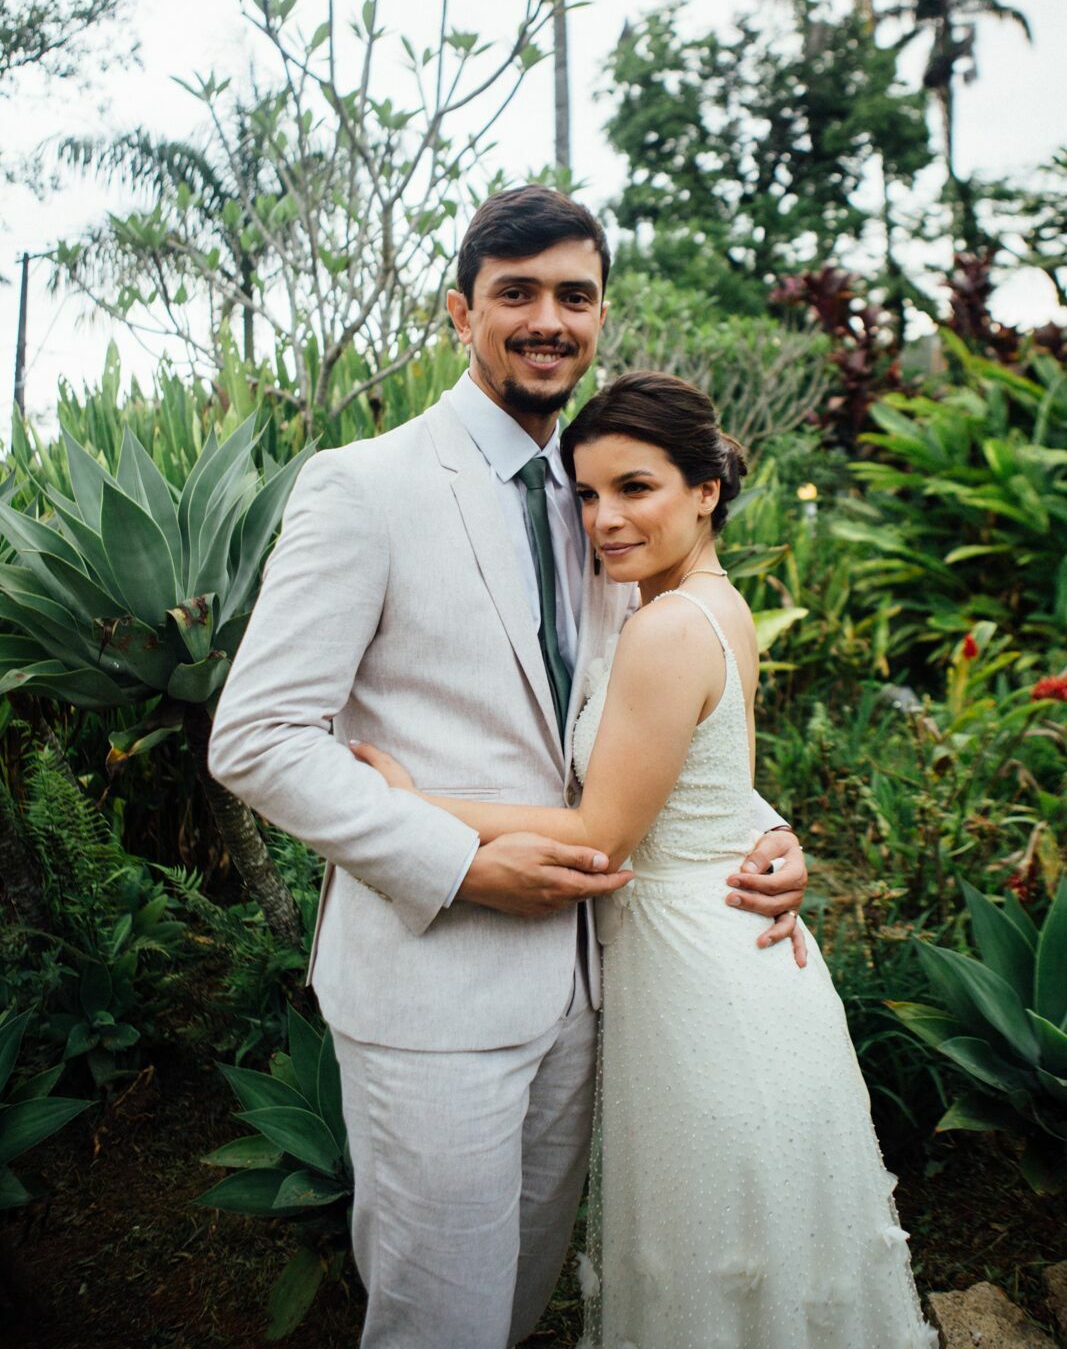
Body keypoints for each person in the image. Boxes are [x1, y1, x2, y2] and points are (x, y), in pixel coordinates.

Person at [208, 187, 809, 1349]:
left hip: (592, 986)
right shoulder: (365, 485)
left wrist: (762, 829)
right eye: (515, 293)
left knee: (521, 1304)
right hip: (431, 986)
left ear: (599, 316)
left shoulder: (601, 500)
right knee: (440, 1320)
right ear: (460, 313)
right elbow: (258, 734)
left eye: (573, 296)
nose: (547, 319)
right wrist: (454, 861)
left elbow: (646, 718)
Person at [357, 370, 936, 1349]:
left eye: (635, 488)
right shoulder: (712, 603)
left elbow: (599, 836)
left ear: (705, 489)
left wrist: (409, 803)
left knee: (706, 1262)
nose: (604, 519)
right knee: (753, 1263)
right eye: (586, 494)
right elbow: (712, 777)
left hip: (697, 976)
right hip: (729, 950)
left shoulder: (666, 626)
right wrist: (776, 830)